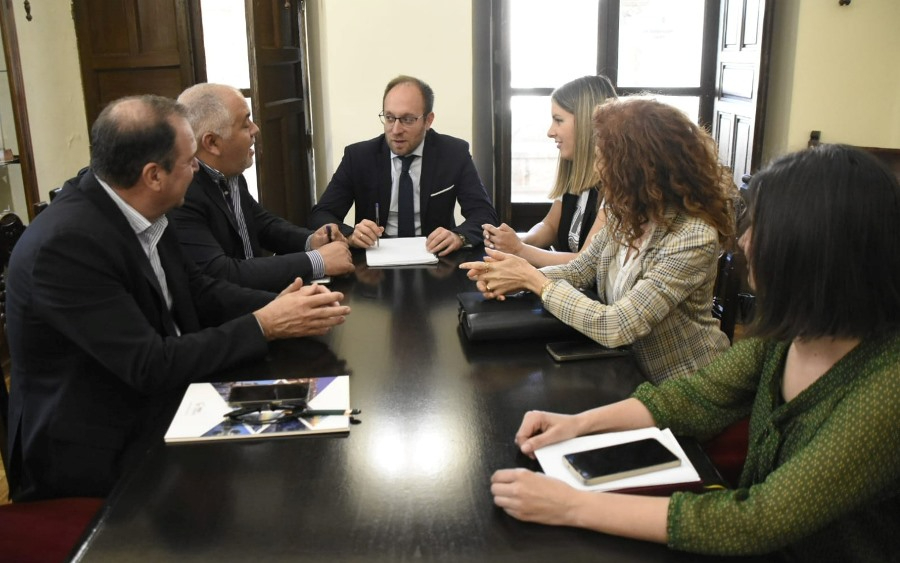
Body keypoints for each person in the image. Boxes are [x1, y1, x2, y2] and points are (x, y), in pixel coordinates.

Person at [489, 144, 900, 561]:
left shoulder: (886, 389)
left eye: (763, 226)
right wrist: (578, 424)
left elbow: (756, 521)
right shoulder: (790, 333)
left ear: (819, 248)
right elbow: (697, 394)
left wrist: (571, 505)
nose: (743, 240)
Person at [5, 95, 351, 501]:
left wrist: (286, 306)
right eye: (190, 163)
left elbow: (200, 290)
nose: (197, 171)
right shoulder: (66, 246)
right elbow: (149, 363)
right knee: (267, 487)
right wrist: (266, 323)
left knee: (302, 454)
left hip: (162, 399)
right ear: (154, 174)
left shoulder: (149, 208)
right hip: (94, 445)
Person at [462, 98, 734, 383]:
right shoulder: (626, 212)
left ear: (637, 167)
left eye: (604, 157)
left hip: (684, 383)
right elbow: (581, 269)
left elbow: (618, 325)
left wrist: (533, 280)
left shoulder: (692, 236)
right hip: (624, 370)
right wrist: (515, 277)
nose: (599, 168)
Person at [168, 83, 353, 292]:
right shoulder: (183, 193)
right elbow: (222, 272)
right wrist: (317, 260)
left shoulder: (230, 173)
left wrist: (311, 241)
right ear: (212, 143)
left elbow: (260, 224)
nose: (256, 129)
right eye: (245, 124)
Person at [308, 75, 498, 255]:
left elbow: (484, 214)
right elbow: (322, 214)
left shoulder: (453, 154)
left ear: (428, 120)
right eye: (390, 118)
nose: (396, 130)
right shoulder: (358, 157)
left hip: (435, 257)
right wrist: (349, 235)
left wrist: (458, 237)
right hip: (374, 258)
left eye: (407, 120)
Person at [482, 75, 616, 267]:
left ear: (588, 124)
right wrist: (520, 240)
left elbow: (587, 264)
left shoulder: (617, 188)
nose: (550, 131)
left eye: (558, 120)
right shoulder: (574, 173)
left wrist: (519, 249)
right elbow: (550, 226)